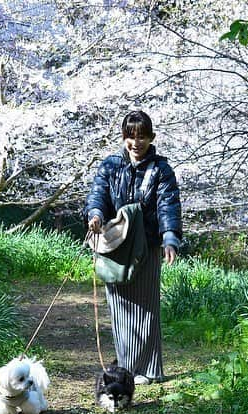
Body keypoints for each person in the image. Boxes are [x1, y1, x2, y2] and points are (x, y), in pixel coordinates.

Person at [85, 110, 182, 384]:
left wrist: (170, 238)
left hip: (147, 246)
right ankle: (128, 368)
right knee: (120, 307)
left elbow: (168, 206)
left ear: (152, 137)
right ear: (124, 137)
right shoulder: (110, 165)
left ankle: (149, 369)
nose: (136, 142)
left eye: (142, 136)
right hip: (116, 245)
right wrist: (95, 215)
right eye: (131, 136)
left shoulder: (161, 170)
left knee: (147, 306)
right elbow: (98, 196)